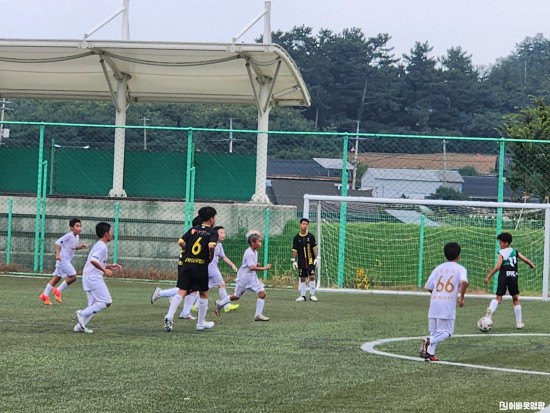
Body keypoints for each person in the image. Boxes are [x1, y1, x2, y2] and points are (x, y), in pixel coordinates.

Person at [151, 224, 239, 318]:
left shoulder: (218, 245)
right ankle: (224, 305)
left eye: (224, 233)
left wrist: (232, 265)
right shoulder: (208, 242)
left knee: (192, 289)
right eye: (221, 233)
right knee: (196, 288)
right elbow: (184, 244)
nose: (223, 235)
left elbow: (223, 256)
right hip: (206, 269)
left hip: (206, 269)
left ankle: (168, 297)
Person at [163, 206, 218, 332]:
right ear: (211, 219)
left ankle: (169, 315)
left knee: (182, 291)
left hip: (187, 264)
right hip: (200, 265)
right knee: (203, 293)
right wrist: (211, 255)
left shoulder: (193, 229)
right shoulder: (212, 232)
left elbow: (180, 241)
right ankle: (200, 323)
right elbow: (211, 245)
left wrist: (187, 250)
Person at [419, 242, 468, 362]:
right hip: (447, 304)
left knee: (435, 331)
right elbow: (464, 282)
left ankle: (430, 354)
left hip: (434, 302)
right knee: (447, 332)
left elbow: (428, 286)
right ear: (459, 256)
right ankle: (428, 340)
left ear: (445, 256)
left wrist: (438, 295)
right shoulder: (460, 268)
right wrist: (461, 297)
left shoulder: (438, 268)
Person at [74, 222, 122, 333]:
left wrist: (109, 266)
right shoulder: (102, 247)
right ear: (106, 233)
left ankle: (79, 326)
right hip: (93, 277)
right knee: (106, 301)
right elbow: (93, 261)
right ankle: (81, 313)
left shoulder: (99, 245)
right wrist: (105, 270)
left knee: (93, 305)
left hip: (87, 276)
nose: (111, 233)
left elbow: (95, 261)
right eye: (110, 231)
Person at [483, 232, 535, 329]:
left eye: (501, 243)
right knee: (515, 298)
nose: (500, 244)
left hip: (503, 276)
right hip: (513, 277)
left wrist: (488, 276)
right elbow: (525, 259)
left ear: (506, 243)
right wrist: (531, 265)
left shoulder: (501, 252)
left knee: (498, 298)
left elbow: (498, 267)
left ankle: (489, 312)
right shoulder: (515, 251)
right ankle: (519, 323)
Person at [215, 230, 271, 321]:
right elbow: (251, 267)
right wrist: (264, 268)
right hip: (244, 279)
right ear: (253, 243)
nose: (261, 244)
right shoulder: (249, 252)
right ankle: (220, 304)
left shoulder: (254, 252)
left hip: (252, 278)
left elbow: (252, 266)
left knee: (262, 293)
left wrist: (257, 265)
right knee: (236, 296)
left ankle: (258, 315)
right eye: (259, 242)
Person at [39, 218, 87, 305]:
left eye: (80, 226)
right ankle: (58, 290)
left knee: (57, 277)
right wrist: (57, 254)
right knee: (73, 276)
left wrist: (80, 247)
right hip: (63, 259)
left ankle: (45, 295)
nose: (79, 228)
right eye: (77, 226)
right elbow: (57, 243)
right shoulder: (69, 235)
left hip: (66, 260)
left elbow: (73, 247)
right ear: (71, 228)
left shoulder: (77, 237)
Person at [291, 218, 319, 302]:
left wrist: (316, 258)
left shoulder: (311, 236)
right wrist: (294, 260)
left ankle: (312, 295)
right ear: (300, 225)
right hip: (301, 261)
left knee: (311, 276)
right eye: (303, 224)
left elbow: (314, 248)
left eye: (306, 224)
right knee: (302, 278)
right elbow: (295, 250)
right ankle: (302, 296)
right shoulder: (296, 238)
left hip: (310, 260)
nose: (305, 226)